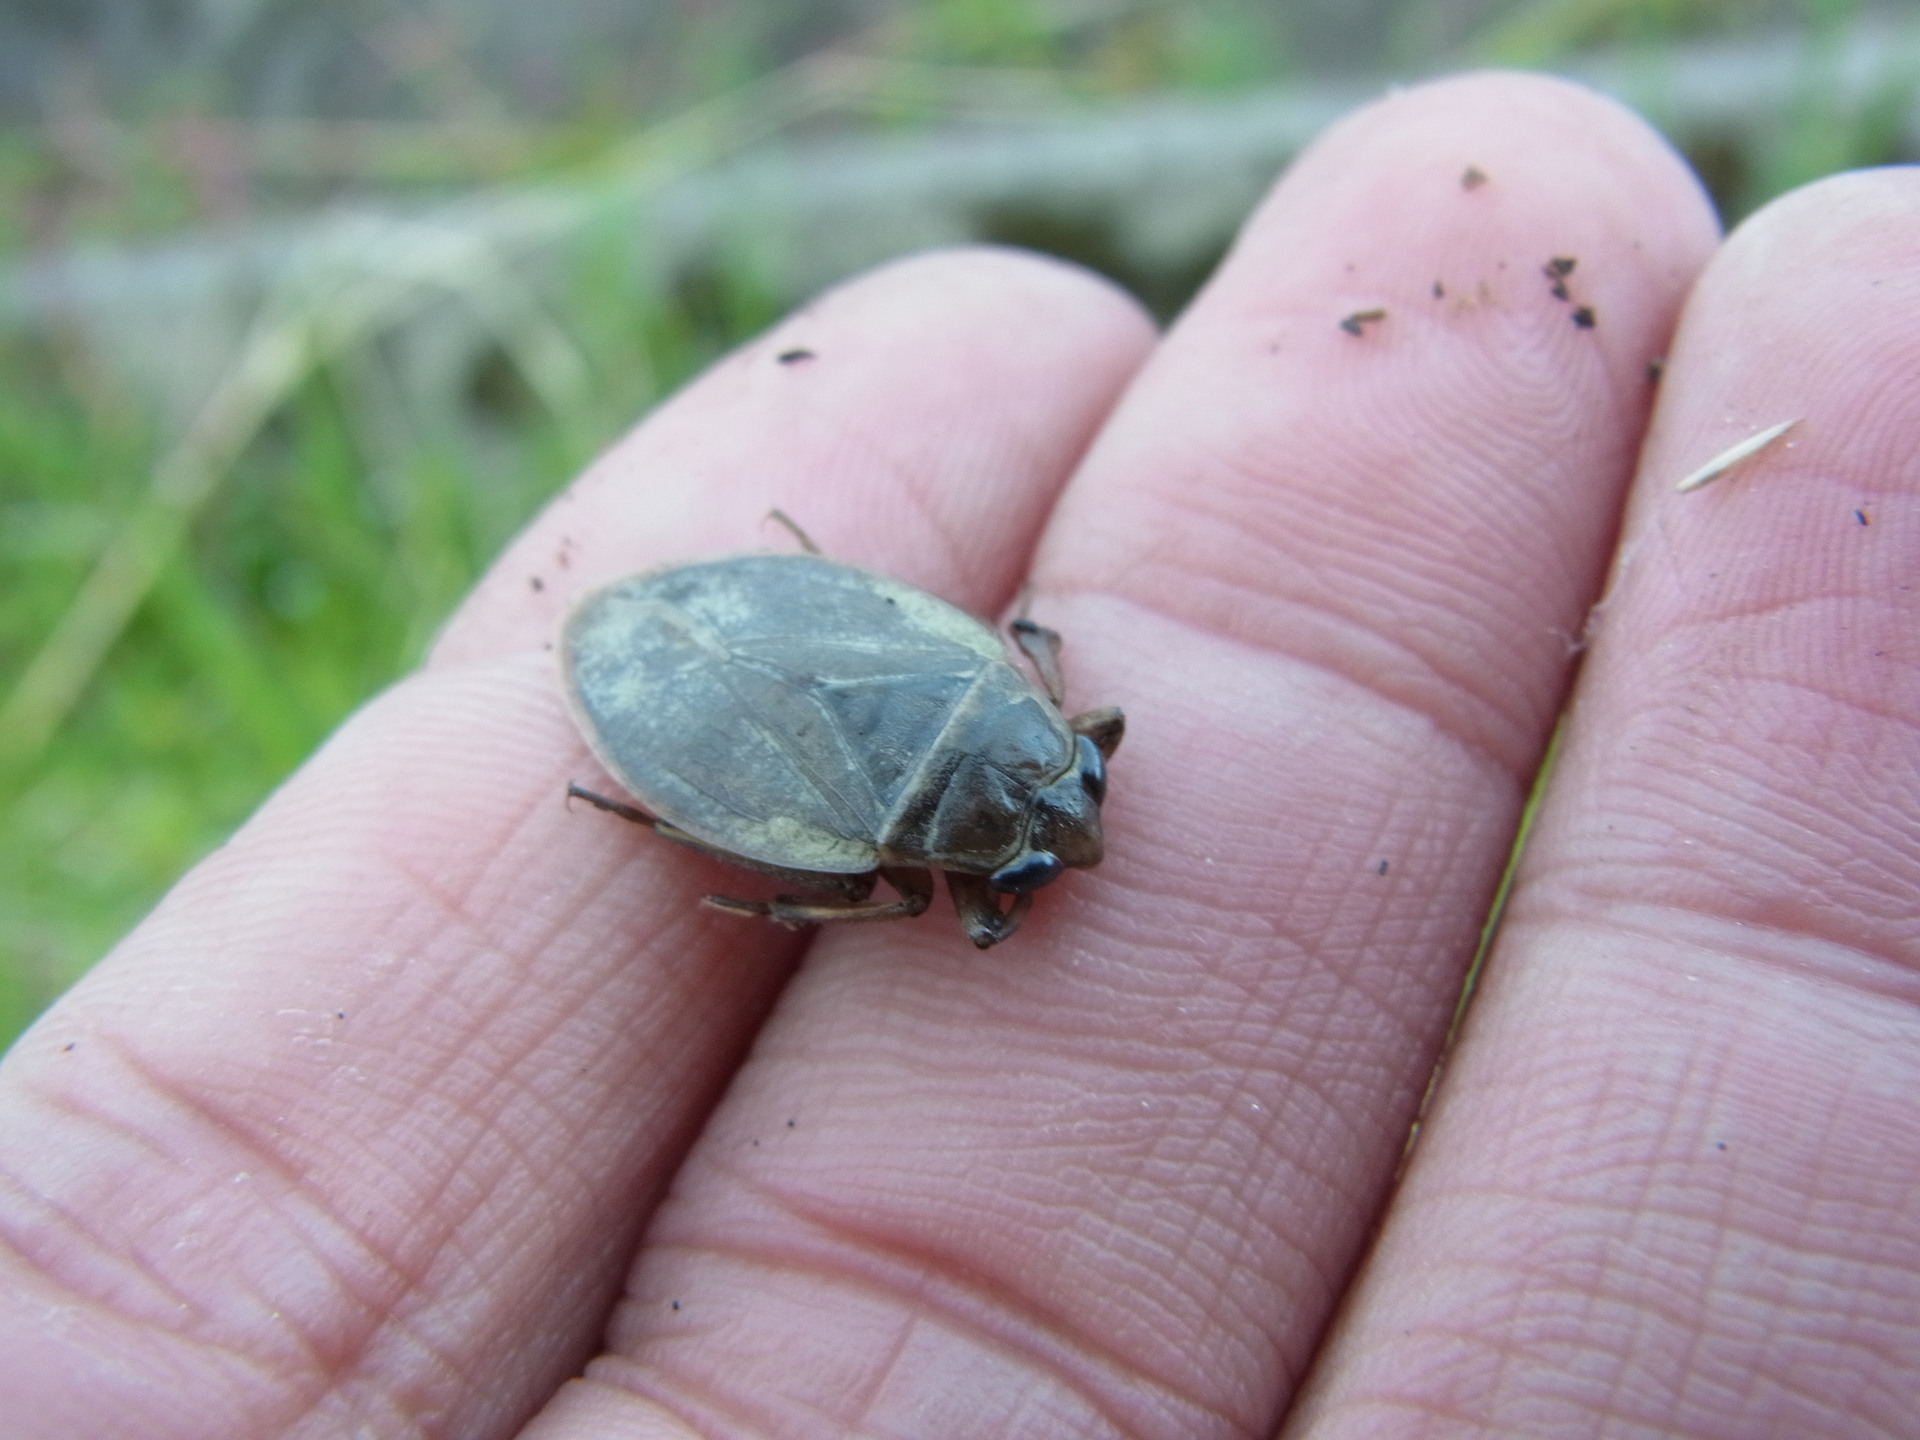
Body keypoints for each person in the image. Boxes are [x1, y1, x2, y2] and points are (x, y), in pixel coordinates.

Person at [1, 71, 1913, 1438]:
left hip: (790, 699)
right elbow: (852, 851)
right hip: (760, 703)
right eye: (1058, 820)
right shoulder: (945, 807)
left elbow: (898, 803)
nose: (1069, 843)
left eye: (1053, 823)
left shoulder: (981, 759)